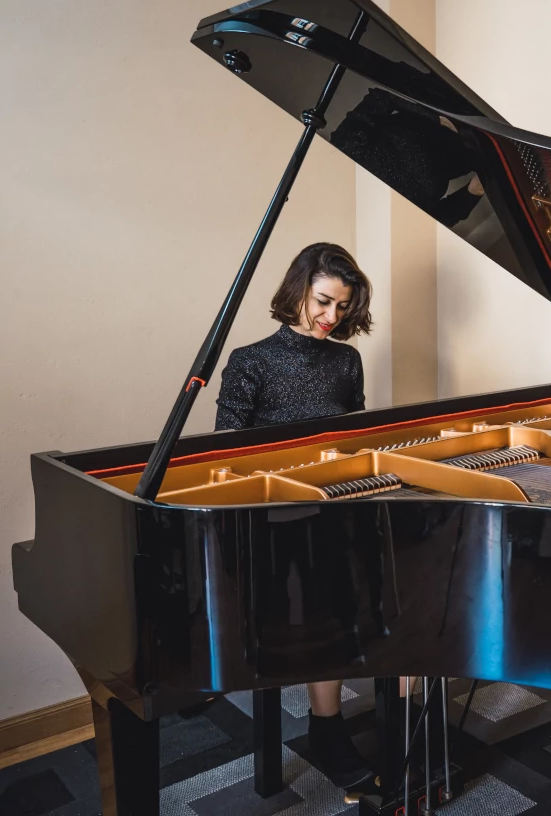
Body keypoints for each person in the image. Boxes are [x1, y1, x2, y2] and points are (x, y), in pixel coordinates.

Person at [215, 242, 374, 790]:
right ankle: (325, 726)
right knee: (316, 606)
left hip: (333, 503)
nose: (332, 318)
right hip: (270, 515)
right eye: (324, 302)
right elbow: (227, 452)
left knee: (360, 596)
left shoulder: (346, 360)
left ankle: (326, 727)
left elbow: (352, 441)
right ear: (298, 290)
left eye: (342, 308)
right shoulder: (250, 361)